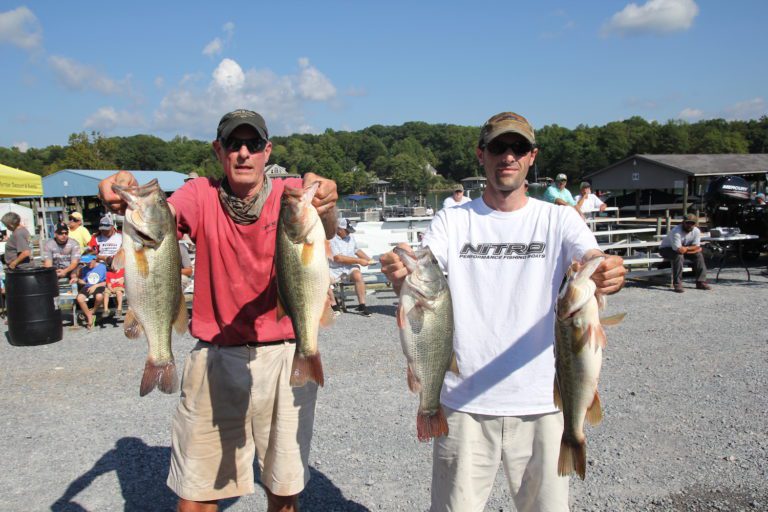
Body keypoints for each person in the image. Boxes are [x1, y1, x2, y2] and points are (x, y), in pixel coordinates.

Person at [380, 111, 625, 512]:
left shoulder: (559, 218)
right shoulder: (452, 220)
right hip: (463, 405)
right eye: (498, 147)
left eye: (518, 148)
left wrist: (606, 269)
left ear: (532, 156)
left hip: (544, 403)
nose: (508, 156)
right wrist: (397, 267)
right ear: (482, 155)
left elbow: (590, 256)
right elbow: (420, 268)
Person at [97, 108, 338, 512]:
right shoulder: (198, 193)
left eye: (254, 144)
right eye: (233, 144)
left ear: (267, 151)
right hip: (214, 357)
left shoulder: (290, 193)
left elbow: (325, 224)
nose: (244, 153)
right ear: (218, 150)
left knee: (284, 490)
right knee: (196, 498)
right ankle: (160, 358)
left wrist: (326, 197)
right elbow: (163, 218)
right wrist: (119, 191)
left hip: (284, 353)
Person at [328, 218, 374, 317]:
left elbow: (356, 250)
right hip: (334, 269)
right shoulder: (330, 239)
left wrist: (368, 259)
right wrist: (359, 261)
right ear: (339, 229)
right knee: (324, 281)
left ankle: (362, 305)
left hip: (349, 267)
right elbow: (338, 258)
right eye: (347, 230)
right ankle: (334, 305)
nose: (349, 232)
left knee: (358, 275)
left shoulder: (350, 237)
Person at [659, 213, 710, 293]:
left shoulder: (696, 231)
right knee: (679, 256)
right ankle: (677, 284)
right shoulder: (676, 231)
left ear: (695, 224)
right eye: (687, 223)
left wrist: (687, 248)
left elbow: (697, 247)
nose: (689, 225)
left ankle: (700, 282)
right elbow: (679, 250)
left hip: (684, 248)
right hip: (666, 249)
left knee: (699, 255)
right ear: (683, 222)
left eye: (692, 223)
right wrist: (692, 248)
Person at [73, 254, 107, 330]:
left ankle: (93, 311)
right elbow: (84, 281)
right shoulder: (85, 269)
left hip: (99, 285)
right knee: (80, 298)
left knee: (99, 296)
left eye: (89, 262)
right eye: (86, 262)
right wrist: (77, 280)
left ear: (94, 259)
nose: (87, 264)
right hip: (88, 286)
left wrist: (95, 286)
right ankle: (89, 316)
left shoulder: (102, 267)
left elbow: (106, 281)